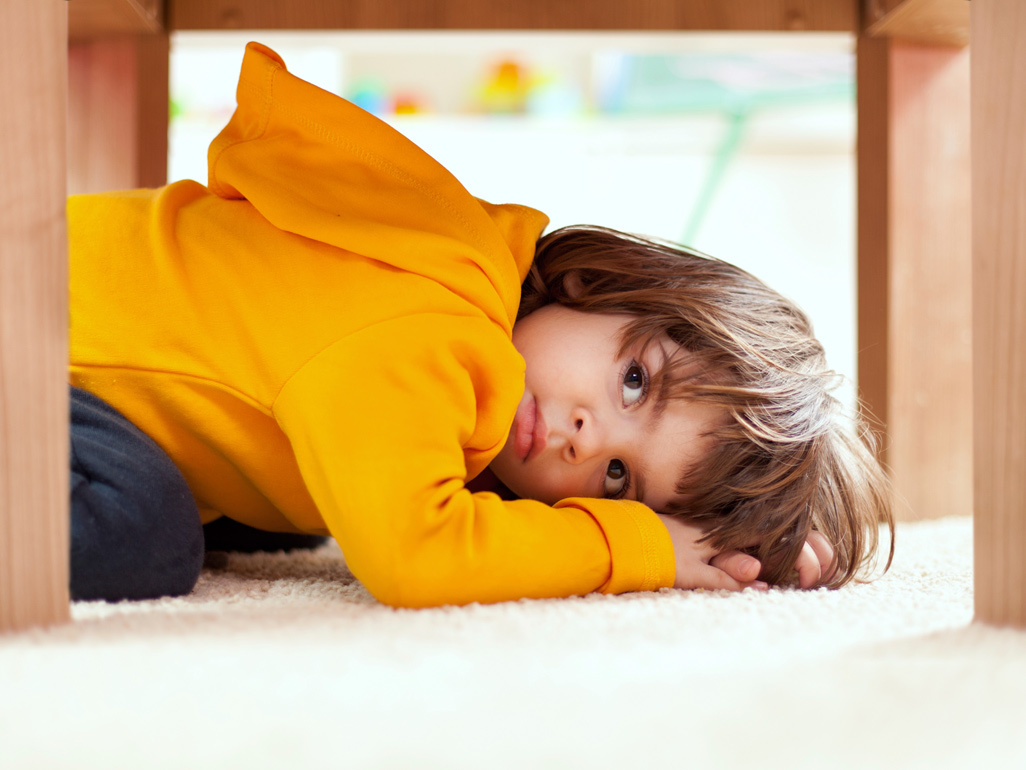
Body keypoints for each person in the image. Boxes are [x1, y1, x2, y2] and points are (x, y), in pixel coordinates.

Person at [68, 42, 893, 605]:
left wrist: (758, 545)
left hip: (92, 370)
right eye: (634, 382)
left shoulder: (480, 300)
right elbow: (413, 558)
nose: (580, 437)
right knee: (149, 535)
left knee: (303, 497)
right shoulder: (426, 328)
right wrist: (634, 547)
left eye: (616, 480)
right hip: (37, 354)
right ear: (591, 286)